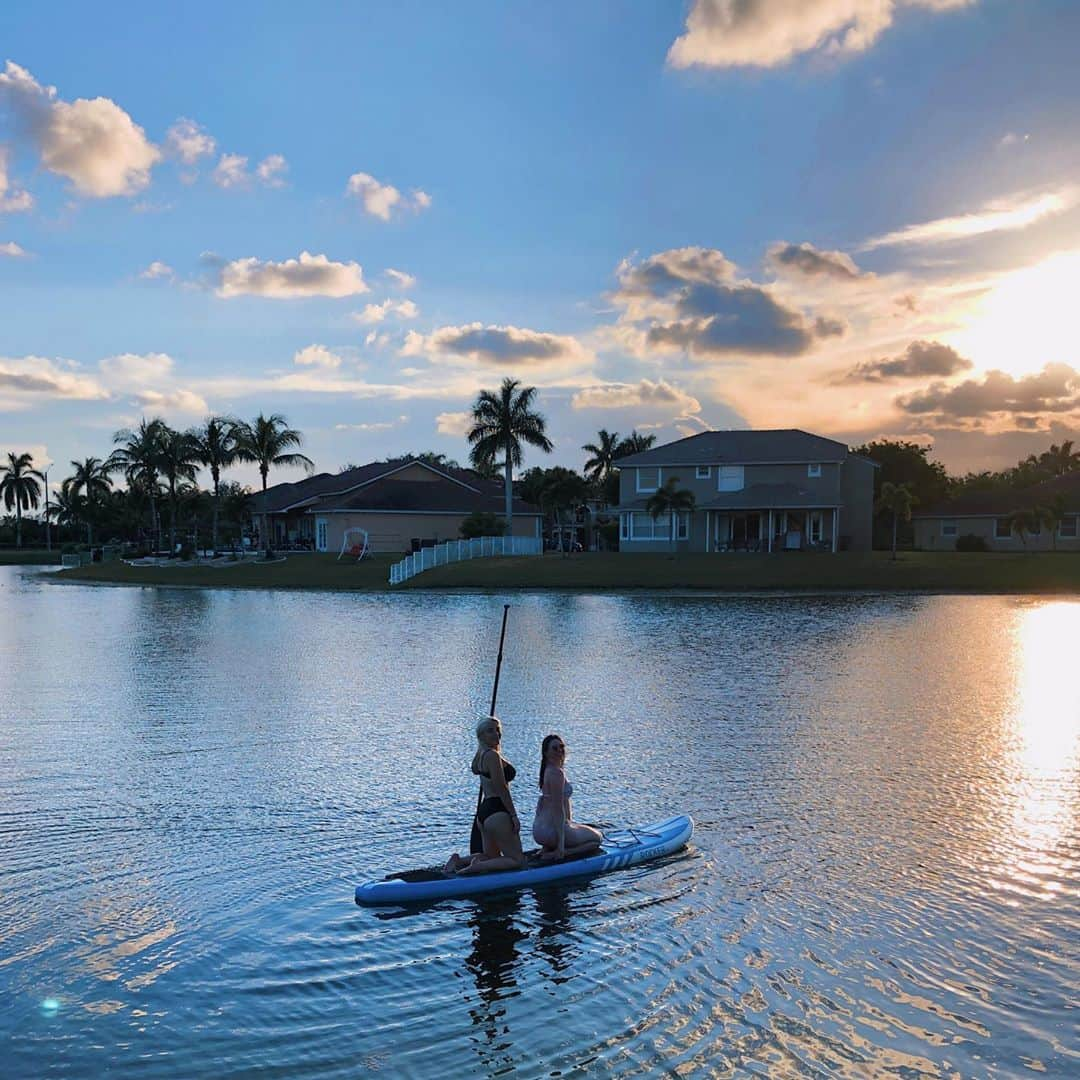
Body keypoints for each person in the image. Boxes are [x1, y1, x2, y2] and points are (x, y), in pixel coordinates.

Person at [444, 716, 526, 875]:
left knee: (490, 856)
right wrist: (514, 815)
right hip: (497, 810)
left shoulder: (480, 755)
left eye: (497, 730)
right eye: (490, 731)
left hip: (485, 812)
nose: (496, 734)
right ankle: (478, 867)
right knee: (517, 860)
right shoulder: (492, 756)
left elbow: (476, 770)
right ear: (481, 735)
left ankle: (459, 860)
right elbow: (501, 788)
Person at [532, 734, 602, 862]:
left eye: (561, 747)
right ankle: (564, 852)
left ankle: (547, 848)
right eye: (555, 748)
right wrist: (561, 846)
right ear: (546, 752)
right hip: (551, 831)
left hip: (539, 830)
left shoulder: (546, 770)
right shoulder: (556, 773)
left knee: (575, 828)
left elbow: (542, 806)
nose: (559, 750)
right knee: (597, 838)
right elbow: (558, 809)